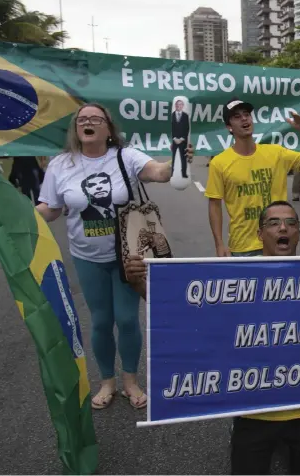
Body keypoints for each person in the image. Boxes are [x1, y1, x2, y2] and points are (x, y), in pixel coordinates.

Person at [37, 102, 192, 411]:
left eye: (96, 118)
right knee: (101, 321)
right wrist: (19, 217)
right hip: (86, 256)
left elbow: (159, 173)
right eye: (83, 119)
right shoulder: (61, 165)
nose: (88, 122)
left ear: (108, 129)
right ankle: (107, 381)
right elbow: (51, 207)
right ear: (76, 128)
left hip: (128, 255)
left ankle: (131, 381)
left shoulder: (126, 156)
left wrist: (176, 160)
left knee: (126, 318)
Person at [230, 200, 300, 475]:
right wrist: (142, 284)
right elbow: (189, 320)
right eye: (273, 223)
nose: (283, 228)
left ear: (298, 233)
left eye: (291, 223)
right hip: (253, 410)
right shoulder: (235, 279)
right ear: (260, 234)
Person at [205, 97, 300, 257]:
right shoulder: (219, 163)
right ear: (229, 127)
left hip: (279, 242)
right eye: (236, 116)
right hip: (243, 248)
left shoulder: (276, 153)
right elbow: (214, 205)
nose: (244, 118)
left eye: (246, 114)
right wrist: (219, 244)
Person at [171, 99, 190, 179]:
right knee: (173, 157)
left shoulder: (185, 116)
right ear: (175, 106)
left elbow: (187, 128)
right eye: (178, 104)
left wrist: (182, 138)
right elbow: (171, 127)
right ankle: (172, 172)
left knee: (183, 158)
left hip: (183, 140)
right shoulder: (172, 115)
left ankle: (184, 173)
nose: (179, 106)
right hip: (174, 140)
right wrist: (174, 138)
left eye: (181, 104)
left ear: (182, 106)